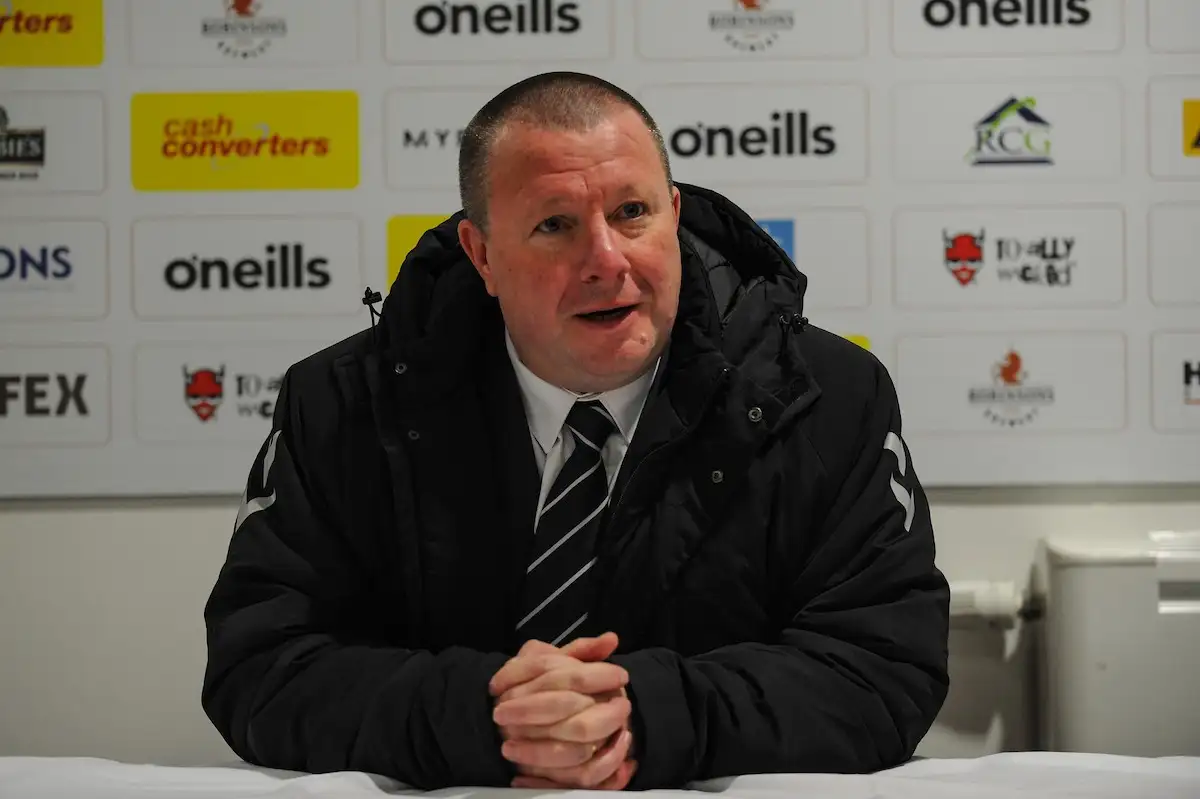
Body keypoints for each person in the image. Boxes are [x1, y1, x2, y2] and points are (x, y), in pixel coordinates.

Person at [201, 71, 950, 791]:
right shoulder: (340, 406)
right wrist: (482, 714)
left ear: (675, 215)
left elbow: (884, 665)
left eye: (633, 213)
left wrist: (649, 715)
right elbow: (259, 662)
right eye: (555, 224)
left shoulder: (829, 399)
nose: (606, 259)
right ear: (482, 255)